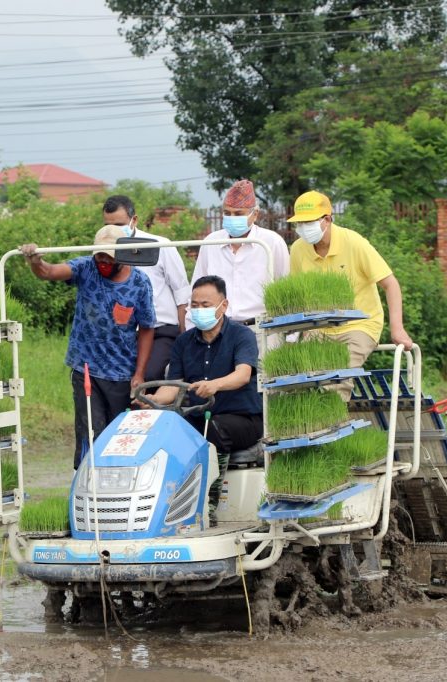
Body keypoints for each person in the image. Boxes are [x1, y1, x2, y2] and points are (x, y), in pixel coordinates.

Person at [20, 226, 156, 469]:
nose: (103, 261)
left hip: (121, 372)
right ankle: (85, 482)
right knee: (90, 430)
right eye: (99, 255)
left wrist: (139, 373)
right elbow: (48, 272)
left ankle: (116, 484)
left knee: (118, 436)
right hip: (86, 368)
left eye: (109, 257)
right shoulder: (85, 268)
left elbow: (146, 328)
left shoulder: (139, 283)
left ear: (121, 256)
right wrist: (35, 259)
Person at [147, 275, 262, 526]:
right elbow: (172, 387)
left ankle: (207, 504)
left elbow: (243, 375)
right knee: (164, 430)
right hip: (198, 416)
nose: (199, 310)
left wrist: (215, 385)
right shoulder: (183, 341)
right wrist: (152, 400)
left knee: (212, 432)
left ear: (224, 305)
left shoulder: (242, 336)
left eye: (206, 305)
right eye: (195, 305)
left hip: (242, 419)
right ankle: (160, 507)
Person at [286, 190, 413, 400]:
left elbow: (390, 284)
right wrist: (303, 332)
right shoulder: (299, 249)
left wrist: (397, 328)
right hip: (320, 327)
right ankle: (311, 426)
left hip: (360, 325)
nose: (303, 229)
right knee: (298, 378)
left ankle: (331, 426)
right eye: (299, 224)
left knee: (336, 378)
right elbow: (298, 293)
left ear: (327, 219)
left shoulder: (354, 242)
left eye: (308, 222)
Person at [102, 194, 191, 381]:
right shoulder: (103, 250)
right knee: (117, 380)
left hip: (161, 331)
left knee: (149, 377)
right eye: (107, 226)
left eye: (118, 225)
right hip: (122, 333)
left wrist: (185, 339)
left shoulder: (160, 245)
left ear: (134, 220)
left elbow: (182, 292)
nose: (113, 231)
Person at [190, 179, 289, 327]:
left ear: (255, 214)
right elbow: (196, 289)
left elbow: (286, 289)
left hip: (261, 329)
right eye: (227, 213)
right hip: (218, 330)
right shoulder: (211, 242)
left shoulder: (271, 242)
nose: (232, 218)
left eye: (238, 214)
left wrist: (288, 337)